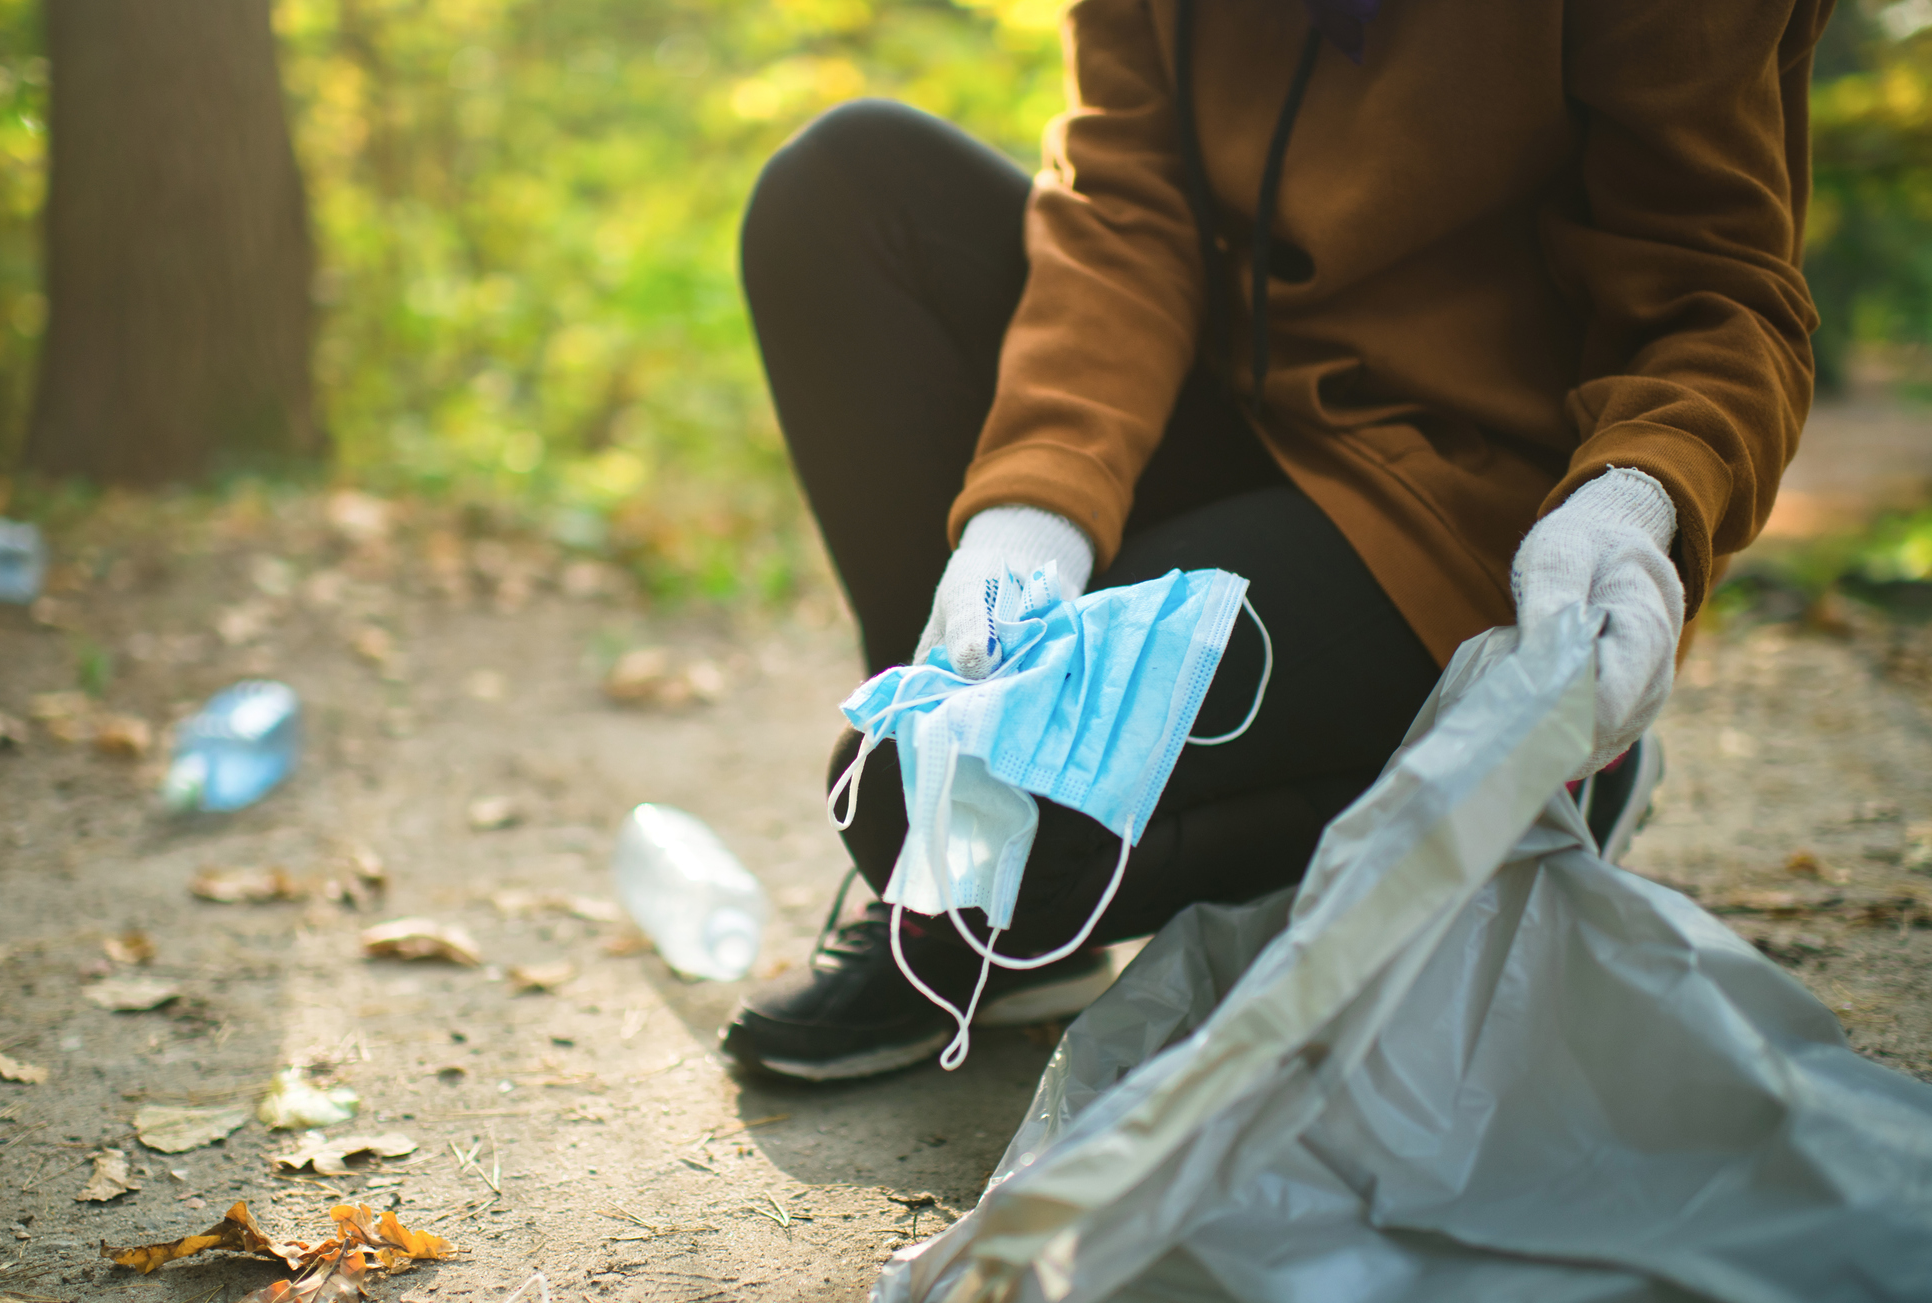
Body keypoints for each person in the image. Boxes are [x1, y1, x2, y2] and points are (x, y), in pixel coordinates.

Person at [722, 0, 1830, 1083]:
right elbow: (1123, 210)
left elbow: (1716, 288)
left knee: (906, 811)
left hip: (1469, 519)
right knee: (843, 186)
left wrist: (1635, 500)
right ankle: (961, 884)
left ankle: (1527, 773)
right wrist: (1037, 502)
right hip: (1240, 422)